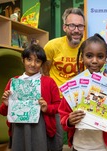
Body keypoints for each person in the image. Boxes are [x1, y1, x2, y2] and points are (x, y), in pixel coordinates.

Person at [58, 33, 107, 151]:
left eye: (100, 56)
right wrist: (69, 121)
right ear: (82, 57)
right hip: (80, 147)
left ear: (106, 58)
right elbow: (63, 117)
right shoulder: (73, 86)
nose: (94, 61)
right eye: (89, 56)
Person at [0, 44, 61, 151]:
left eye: (37, 61)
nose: (33, 64)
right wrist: (6, 104)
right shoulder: (14, 81)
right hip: (19, 128)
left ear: (42, 64)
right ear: (23, 60)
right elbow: (3, 112)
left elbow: (58, 106)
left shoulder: (49, 82)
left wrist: (47, 107)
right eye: (29, 59)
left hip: (41, 127)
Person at [42, 8, 85, 149]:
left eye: (80, 26)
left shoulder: (88, 47)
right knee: (57, 140)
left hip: (81, 101)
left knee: (81, 141)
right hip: (59, 101)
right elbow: (45, 71)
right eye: (72, 25)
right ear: (64, 27)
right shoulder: (52, 46)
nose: (76, 30)